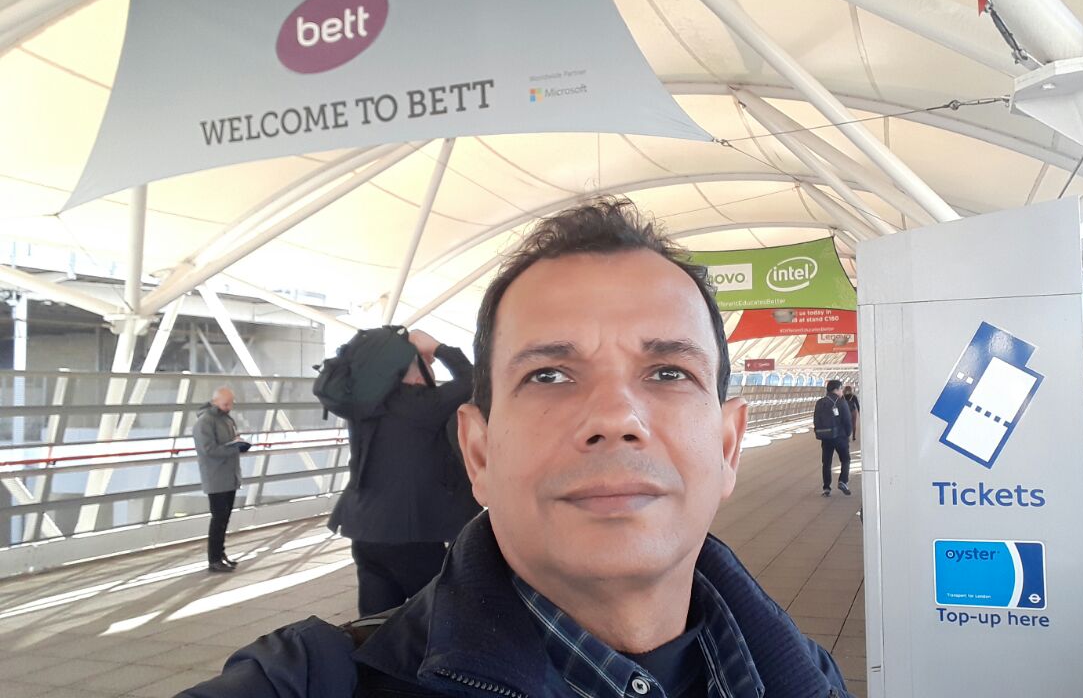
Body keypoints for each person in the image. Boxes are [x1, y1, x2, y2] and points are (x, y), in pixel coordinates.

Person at [180, 197, 853, 697]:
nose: (615, 417)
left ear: (729, 446)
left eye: (669, 373)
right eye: (549, 375)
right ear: (478, 453)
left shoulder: (809, 677)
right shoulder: (304, 683)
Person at [327, 329, 481, 616]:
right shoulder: (419, 405)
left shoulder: (366, 406)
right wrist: (438, 347)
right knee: (441, 612)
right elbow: (473, 378)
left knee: (376, 621)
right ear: (412, 373)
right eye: (425, 365)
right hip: (408, 536)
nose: (430, 373)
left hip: (364, 532)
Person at [193, 387, 249, 573]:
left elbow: (228, 441)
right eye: (225, 404)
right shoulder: (205, 422)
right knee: (218, 519)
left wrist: (238, 443)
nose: (229, 407)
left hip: (229, 476)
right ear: (215, 401)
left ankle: (220, 553)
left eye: (231, 403)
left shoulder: (227, 419)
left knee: (224, 518)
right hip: (215, 477)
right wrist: (233, 448)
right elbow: (208, 450)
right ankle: (214, 558)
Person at [816, 379, 853, 497]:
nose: (842, 391)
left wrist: (819, 432)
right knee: (845, 459)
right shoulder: (841, 402)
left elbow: (816, 419)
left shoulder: (820, 402)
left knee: (826, 462)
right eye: (841, 389)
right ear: (836, 390)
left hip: (825, 437)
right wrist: (848, 434)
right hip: (840, 437)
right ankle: (843, 481)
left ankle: (826, 488)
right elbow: (847, 420)